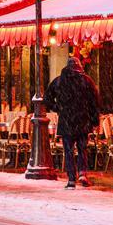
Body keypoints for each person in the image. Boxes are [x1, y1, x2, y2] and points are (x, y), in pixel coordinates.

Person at [44, 57, 101, 189]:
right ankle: (82, 173)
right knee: (82, 149)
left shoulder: (59, 81)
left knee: (68, 151)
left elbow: (47, 98)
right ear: (79, 66)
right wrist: (94, 120)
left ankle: (71, 179)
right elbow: (95, 102)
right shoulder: (87, 80)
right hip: (82, 121)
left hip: (66, 121)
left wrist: (57, 107)